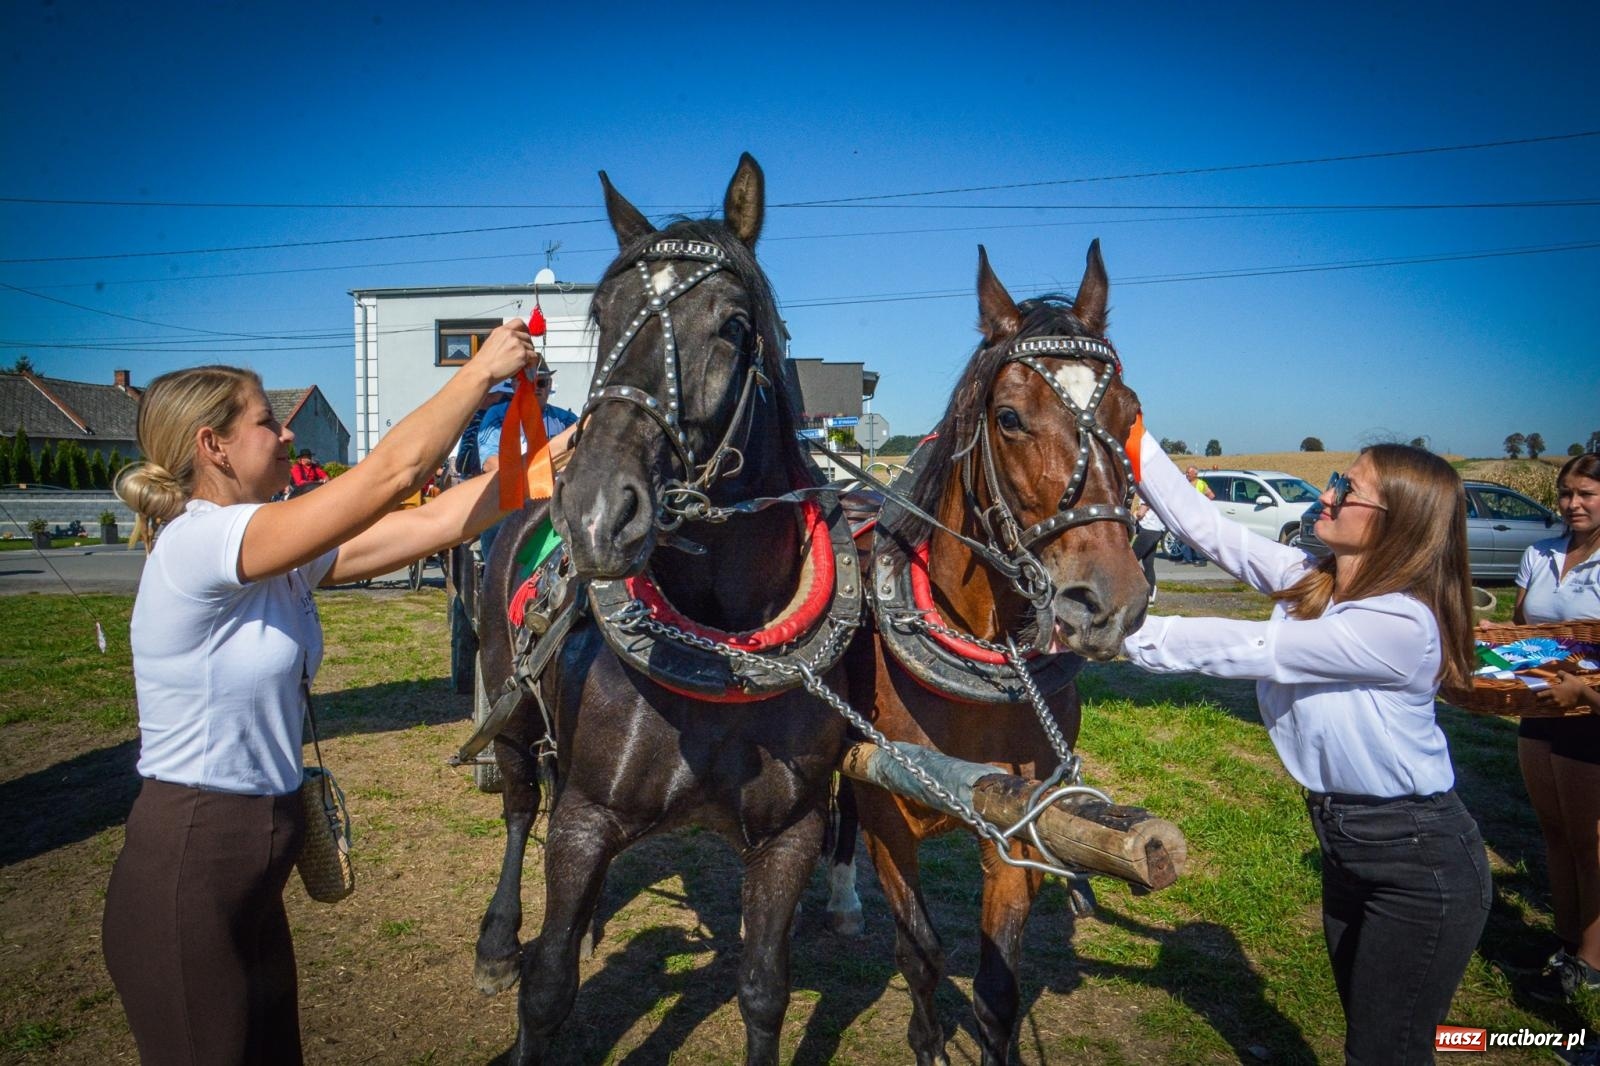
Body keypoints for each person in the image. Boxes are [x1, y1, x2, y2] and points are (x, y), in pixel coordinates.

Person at [101, 320, 536, 1064]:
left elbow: (433, 520)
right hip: (192, 864)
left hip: (251, 863)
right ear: (213, 446)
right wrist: (479, 371)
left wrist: (569, 445)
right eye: (266, 421)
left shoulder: (276, 552)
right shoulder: (202, 541)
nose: (285, 434)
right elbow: (393, 477)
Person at [1122, 429, 1489, 1063]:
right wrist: (1133, 434)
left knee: (1385, 1051)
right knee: (1371, 1034)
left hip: (1416, 858)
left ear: (1395, 522)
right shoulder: (1320, 583)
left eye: (1347, 489)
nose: (1327, 494)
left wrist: (1096, 630)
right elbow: (1212, 531)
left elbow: (1244, 650)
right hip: (1350, 840)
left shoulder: (1399, 622)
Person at [1510, 451, 1600, 1002]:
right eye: (1567, 493)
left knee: (1591, 842)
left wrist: (1585, 693)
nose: (1574, 504)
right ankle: (1563, 942)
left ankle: (1592, 959)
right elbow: (1524, 624)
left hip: (1591, 712)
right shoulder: (1539, 552)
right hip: (1541, 705)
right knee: (1554, 831)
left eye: (1587, 494)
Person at [475, 360, 578, 560]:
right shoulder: (497, 416)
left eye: (542, 383)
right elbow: (490, 463)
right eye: (529, 383)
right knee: (496, 530)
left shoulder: (565, 419)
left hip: (558, 497)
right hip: (513, 497)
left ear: (549, 386)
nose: (536, 388)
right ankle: (494, 576)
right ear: (514, 385)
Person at [1174, 465, 1216, 565]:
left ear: (1195, 474)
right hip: (1186, 514)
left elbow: (1211, 496)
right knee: (1186, 536)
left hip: (1197, 515)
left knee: (1198, 537)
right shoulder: (1183, 483)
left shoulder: (1201, 484)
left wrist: (1202, 504)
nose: (1187, 474)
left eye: (1189, 473)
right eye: (1186, 472)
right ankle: (1187, 558)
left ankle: (1201, 559)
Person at [1131, 491, 1165, 604]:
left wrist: (1134, 515)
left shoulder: (1146, 494)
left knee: (1130, 560)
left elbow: (1141, 513)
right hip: (1157, 530)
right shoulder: (1158, 493)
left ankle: (1136, 589)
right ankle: (1150, 594)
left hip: (1148, 531)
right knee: (1148, 564)